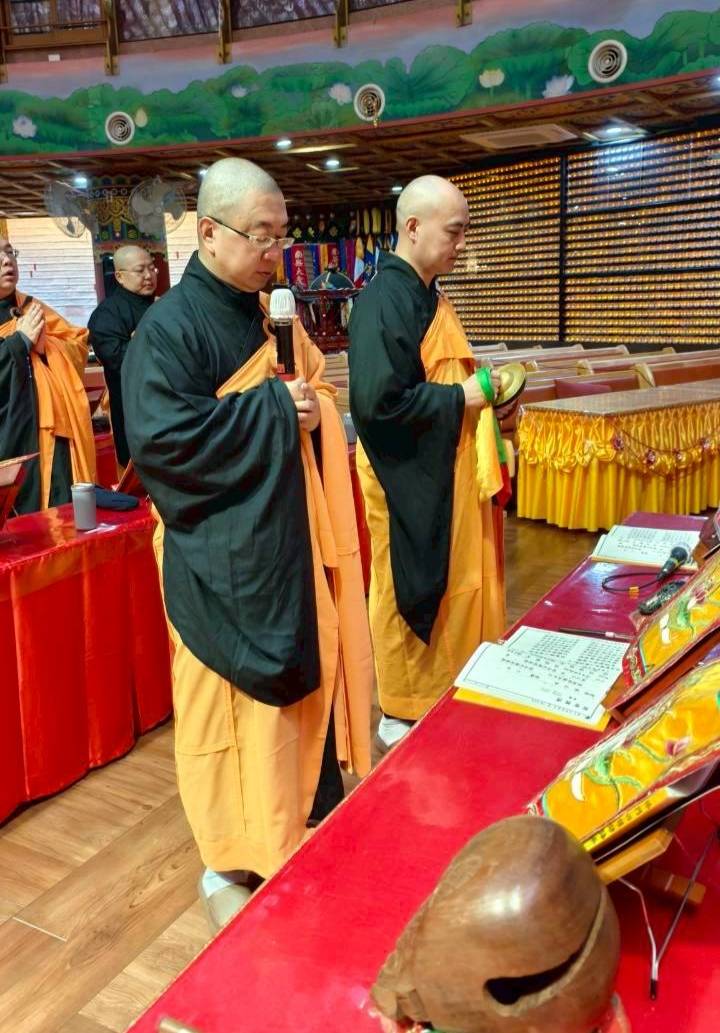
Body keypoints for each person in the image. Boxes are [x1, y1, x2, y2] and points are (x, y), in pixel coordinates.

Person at [122, 158, 372, 933]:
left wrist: (306, 407)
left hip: (285, 542)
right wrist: (272, 410)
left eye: (281, 235)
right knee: (235, 722)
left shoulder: (267, 316)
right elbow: (162, 446)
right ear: (208, 233)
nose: (275, 251)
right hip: (221, 565)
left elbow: (305, 395)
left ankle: (296, 824)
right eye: (261, 235)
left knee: (299, 698)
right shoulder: (167, 332)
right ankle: (232, 856)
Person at [349, 175, 508, 752]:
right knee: (408, 586)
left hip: (449, 469)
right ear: (413, 227)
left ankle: (451, 689)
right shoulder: (383, 301)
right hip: (407, 479)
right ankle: (403, 708)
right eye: (454, 232)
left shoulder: (430, 296)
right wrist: (463, 397)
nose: (462, 244)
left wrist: (487, 400)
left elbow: (442, 378)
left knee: (459, 585)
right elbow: (377, 406)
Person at [0, 236, 95, 513]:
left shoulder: (31, 308)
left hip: (53, 431)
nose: (7, 261)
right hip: (10, 440)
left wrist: (45, 348)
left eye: (10, 252)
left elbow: (77, 342)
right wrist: (19, 343)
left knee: (62, 514)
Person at [88, 245, 157, 468]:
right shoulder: (107, 315)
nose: (149, 275)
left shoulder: (164, 305)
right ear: (119, 276)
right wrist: (149, 341)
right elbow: (120, 360)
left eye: (152, 268)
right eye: (140, 270)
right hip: (135, 413)